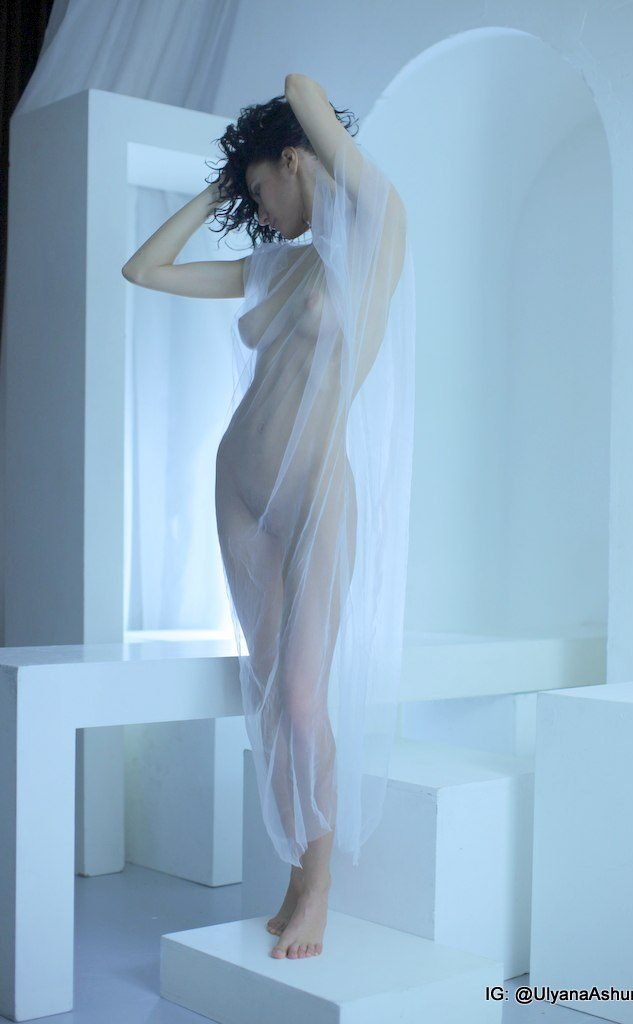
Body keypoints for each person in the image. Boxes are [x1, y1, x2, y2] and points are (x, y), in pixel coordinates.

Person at [122, 73, 415, 961]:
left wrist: (291, 141)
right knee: (268, 695)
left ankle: (320, 886)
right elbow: (145, 269)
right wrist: (222, 187)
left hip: (315, 491)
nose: (259, 212)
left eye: (261, 189)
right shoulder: (272, 267)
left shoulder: (378, 237)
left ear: (296, 159)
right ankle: (293, 875)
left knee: (301, 697)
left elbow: (301, 89)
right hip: (240, 494)